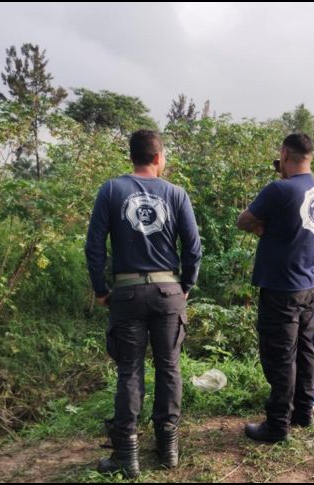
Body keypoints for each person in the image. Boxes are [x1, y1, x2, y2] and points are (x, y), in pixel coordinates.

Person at [85, 129, 201, 476]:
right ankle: (168, 449)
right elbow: (193, 248)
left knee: (129, 370)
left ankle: (127, 454)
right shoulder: (176, 194)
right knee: (169, 366)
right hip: (168, 293)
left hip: (127, 292)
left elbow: (94, 246)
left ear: (132, 157)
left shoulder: (110, 190)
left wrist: (101, 288)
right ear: (157, 158)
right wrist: (186, 286)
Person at [236, 133, 314, 442]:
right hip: (309, 285)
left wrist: (261, 226)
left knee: (280, 356)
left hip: (281, 288)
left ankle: (277, 424)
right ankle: (303, 412)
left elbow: (243, 220)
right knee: (305, 351)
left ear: (285, 153)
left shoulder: (279, 189)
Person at [271, 157, 314, 412]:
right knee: (304, 334)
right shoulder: (298, 191)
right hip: (309, 274)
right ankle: (304, 389)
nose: (281, 174)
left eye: (282, 168)